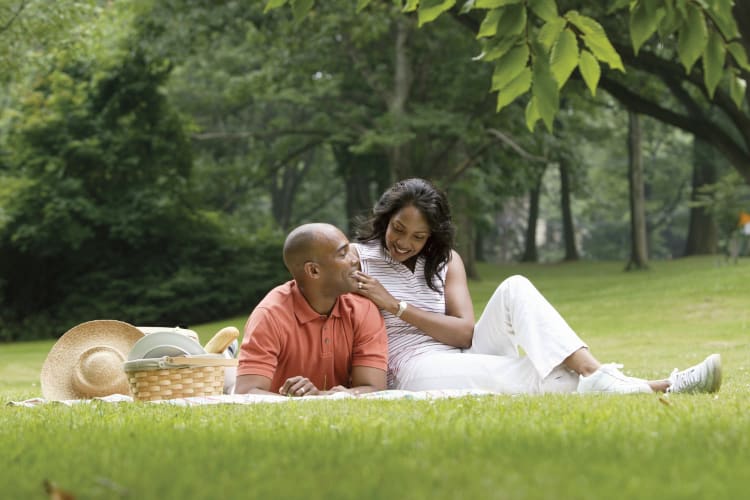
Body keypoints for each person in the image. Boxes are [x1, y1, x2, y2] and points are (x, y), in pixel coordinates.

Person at [351, 178, 722, 395]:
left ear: (432, 236)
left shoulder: (447, 261)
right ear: (385, 217)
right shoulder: (357, 258)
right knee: (538, 373)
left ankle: (595, 374)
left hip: (461, 350)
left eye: (418, 236)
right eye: (398, 228)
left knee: (515, 286)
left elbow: (465, 333)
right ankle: (660, 386)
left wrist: (395, 305)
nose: (403, 242)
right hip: (414, 366)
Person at [234, 223, 388, 397]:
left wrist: (319, 396)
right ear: (313, 270)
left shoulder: (363, 310)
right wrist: (298, 400)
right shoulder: (270, 315)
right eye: (343, 254)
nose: (355, 260)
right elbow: (246, 393)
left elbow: (374, 389)